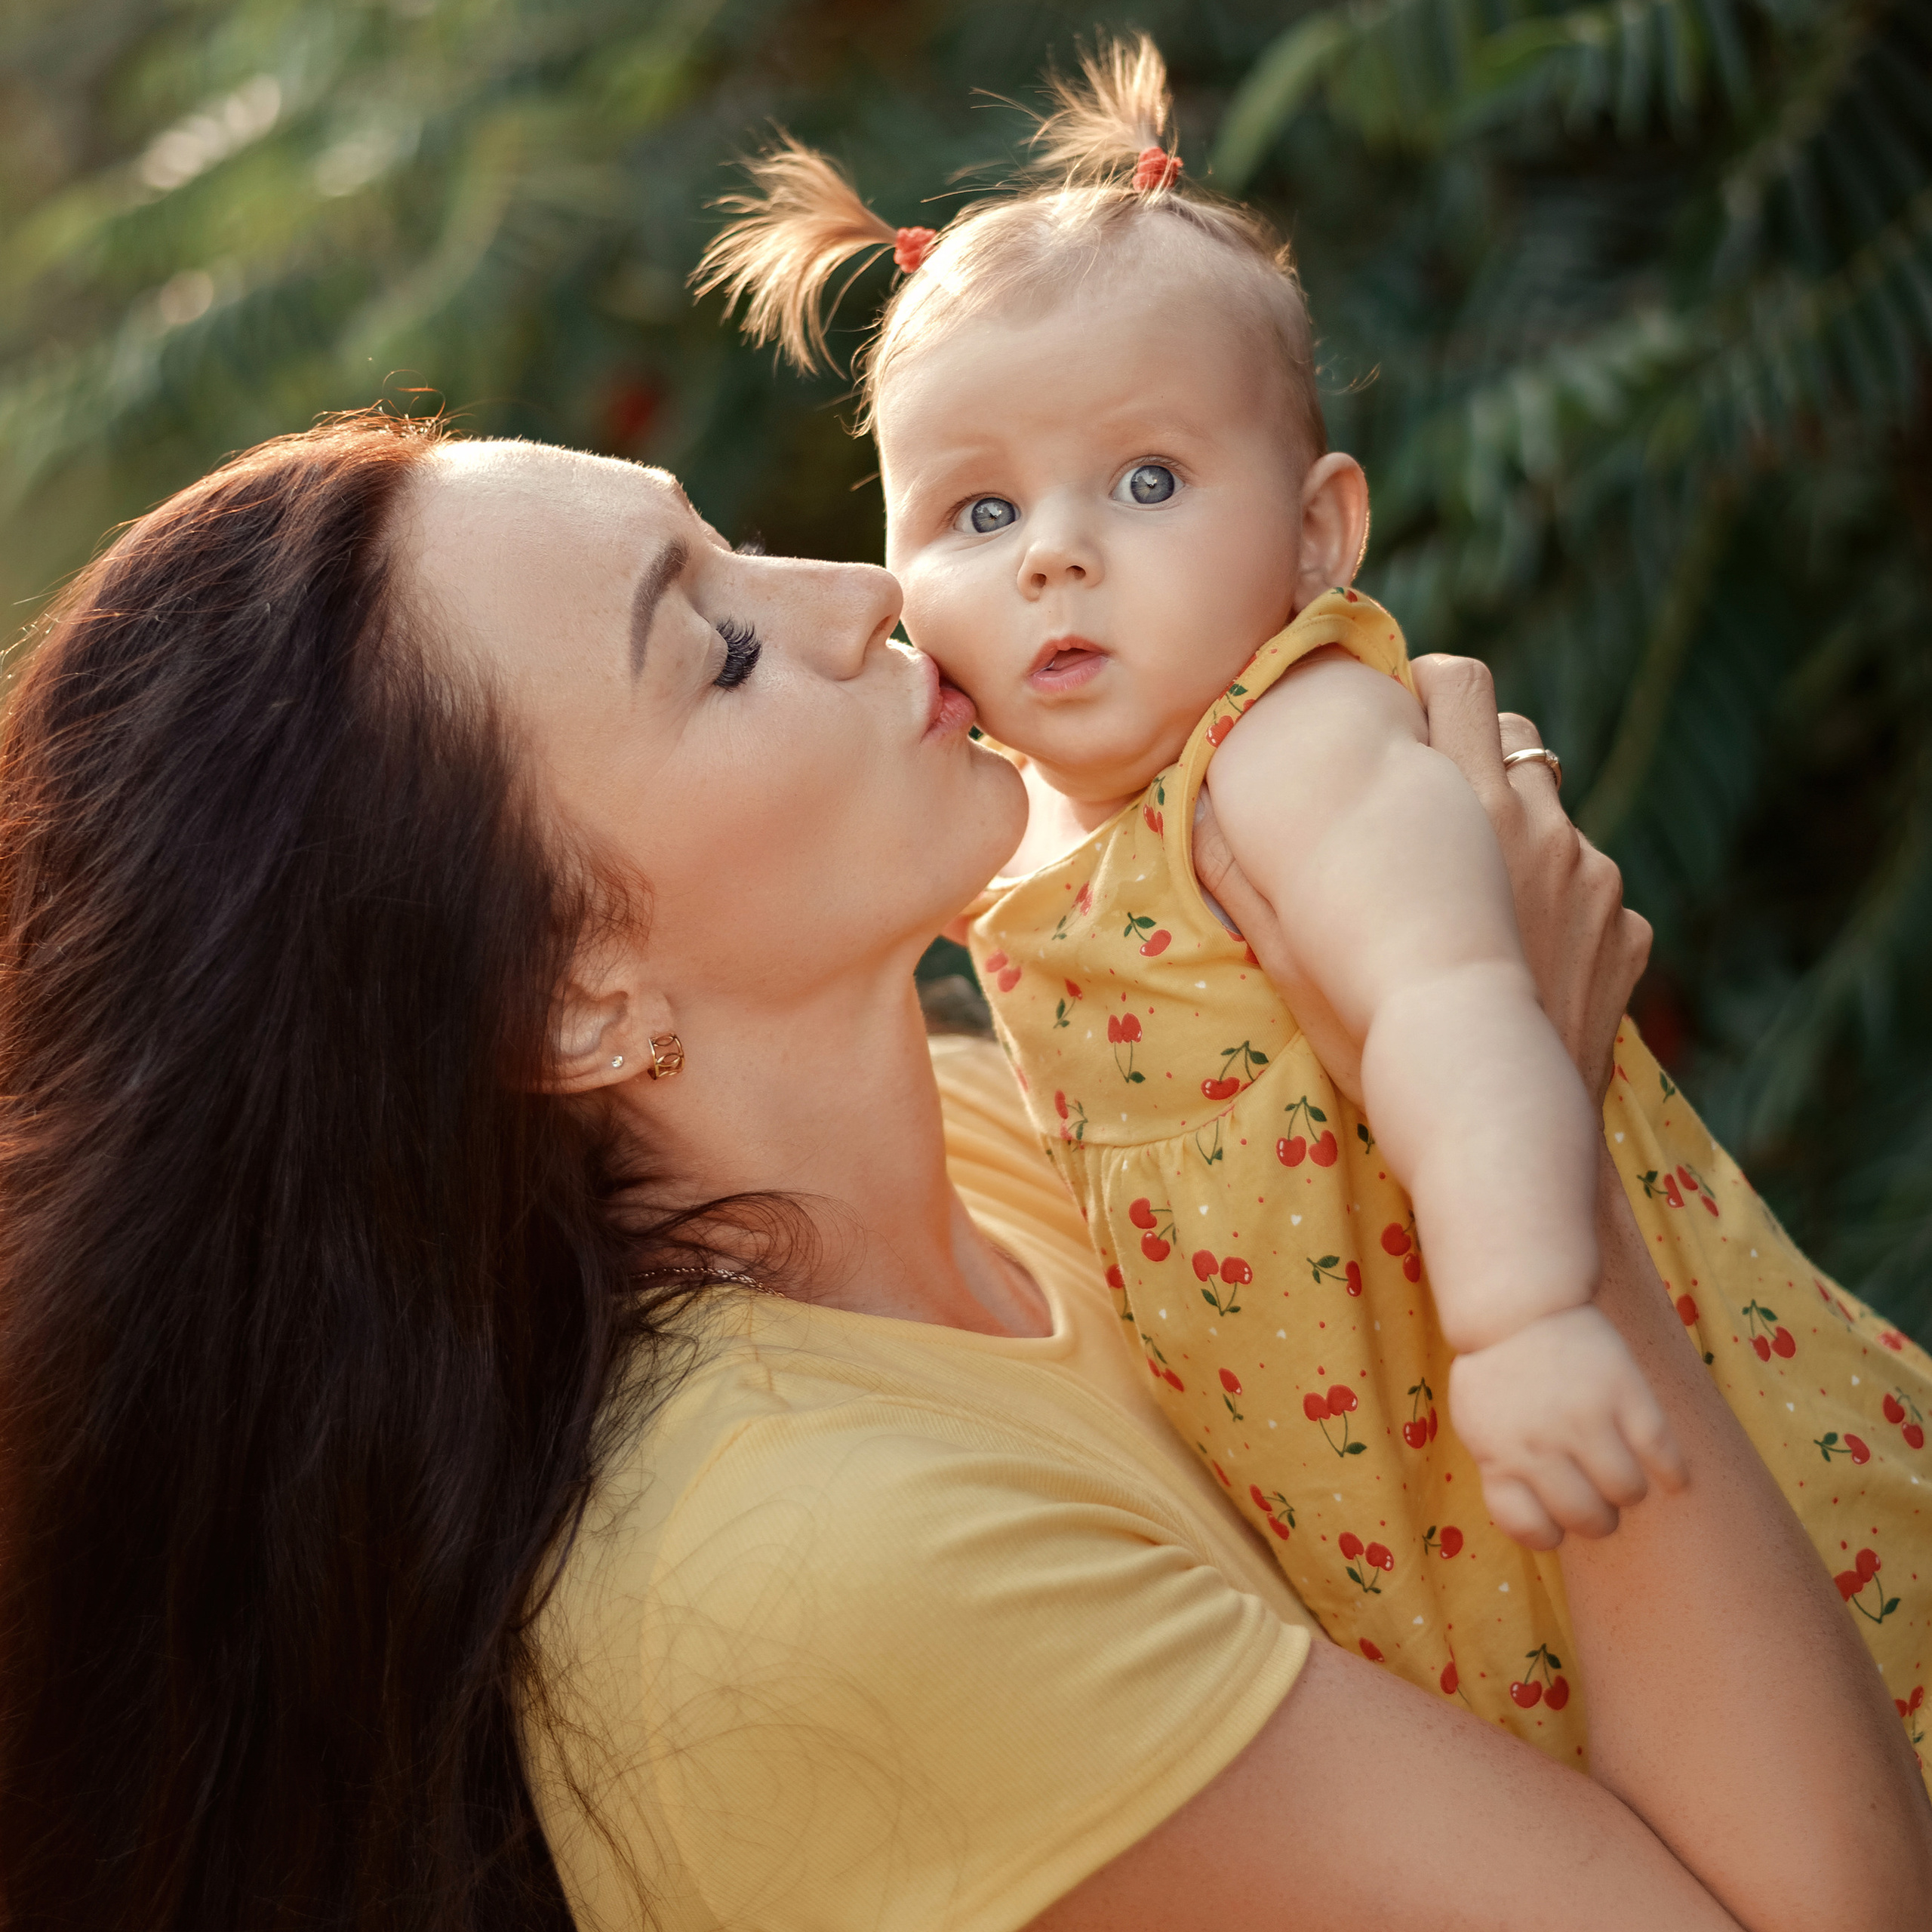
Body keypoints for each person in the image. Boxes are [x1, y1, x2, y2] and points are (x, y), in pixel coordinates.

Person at [0, 414, 1926, 1932]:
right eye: (720, 648)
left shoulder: (1018, 1130)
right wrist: (1540, 1153)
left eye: (738, 542)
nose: (864, 594)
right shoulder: (805, 1573)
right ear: (568, 995)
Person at [695, 32, 1932, 1767]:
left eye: (1145, 481)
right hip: (1425, 1533)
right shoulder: (1026, 827)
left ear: (1316, 534)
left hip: (1601, 1408)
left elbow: (1451, 999)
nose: (1053, 550)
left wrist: (1527, 1313)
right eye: (977, 508)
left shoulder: (1283, 746)